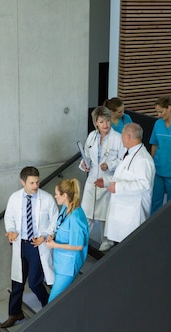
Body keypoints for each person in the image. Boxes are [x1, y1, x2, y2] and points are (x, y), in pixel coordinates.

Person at [1, 166, 58, 328]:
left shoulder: (46, 199)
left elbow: (55, 220)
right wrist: (11, 231)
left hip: (37, 246)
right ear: (23, 182)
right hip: (21, 244)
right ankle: (14, 313)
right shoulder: (15, 198)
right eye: (32, 182)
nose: (35, 186)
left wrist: (45, 235)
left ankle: (49, 307)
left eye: (37, 182)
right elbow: (9, 217)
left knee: (34, 282)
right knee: (17, 282)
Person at [95, 122, 155, 244]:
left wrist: (117, 187)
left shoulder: (142, 159)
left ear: (128, 136)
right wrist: (107, 181)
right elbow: (123, 176)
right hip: (123, 210)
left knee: (131, 245)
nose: (121, 138)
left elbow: (143, 185)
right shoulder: (130, 153)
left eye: (122, 136)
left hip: (133, 212)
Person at [79, 106, 126, 252]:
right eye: (101, 121)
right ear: (96, 123)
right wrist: (83, 165)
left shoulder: (117, 138)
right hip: (92, 179)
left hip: (107, 180)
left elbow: (123, 161)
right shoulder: (92, 136)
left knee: (105, 214)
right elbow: (86, 155)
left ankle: (107, 240)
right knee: (86, 213)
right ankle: (82, 240)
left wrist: (110, 165)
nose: (105, 124)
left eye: (107, 121)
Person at [45, 178, 90, 301]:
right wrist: (54, 235)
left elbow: (78, 246)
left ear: (64, 195)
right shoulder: (66, 208)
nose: (55, 196)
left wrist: (54, 245)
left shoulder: (75, 217)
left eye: (57, 194)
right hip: (61, 261)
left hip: (68, 266)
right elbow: (60, 225)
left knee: (52, 302)